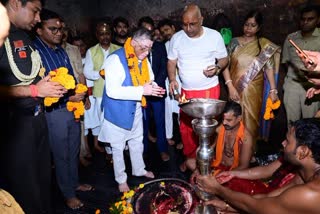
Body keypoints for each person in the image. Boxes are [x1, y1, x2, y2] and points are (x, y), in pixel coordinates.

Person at [0, 1, 66, 213]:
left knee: (42, 181)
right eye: (35, 11)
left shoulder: (24, 36)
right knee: (25, 187)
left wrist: (50, 85)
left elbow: (30, 76)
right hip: (14, 124)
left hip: (37, 119)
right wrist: (35, 91)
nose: (38, 18)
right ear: (16, 4)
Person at [196, 118, 320, 214]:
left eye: (287, 141)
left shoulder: (310, 193)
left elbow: (261, 209)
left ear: (303, 152)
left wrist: (219, 190)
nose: (282, 143)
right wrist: (228, 206)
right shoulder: (304, 173)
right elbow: (268, 198)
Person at [34, 9, 89, 210]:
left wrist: (78, 93)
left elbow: (72, 80)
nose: (58, 33)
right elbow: (42, 87)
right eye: (53, 29)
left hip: (72, 107)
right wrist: (69, 95)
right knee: (61, 153)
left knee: (74, 149)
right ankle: (67, 193)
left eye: (60, 29)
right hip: (54, 111)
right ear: (39, 30)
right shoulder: (36, 52)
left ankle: (74, 183)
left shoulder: (61, 50)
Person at [98, 28, 165, 192]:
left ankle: (139, 169)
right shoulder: (115, 59)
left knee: (136, 141)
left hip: (135, 108)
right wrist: (143, 91)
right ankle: (121, 179)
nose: (147, 51)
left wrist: (154, 87)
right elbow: (112, 91)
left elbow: (150, 78)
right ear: (133, 43)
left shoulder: (143, 57)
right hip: (116, 112)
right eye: (143, 47)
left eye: (149, 48)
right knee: (118, 148)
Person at [167, 3, 228, 171]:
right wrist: (172, 79)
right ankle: (190, 158)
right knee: (186, 128)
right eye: (184, 24)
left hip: (208, 89)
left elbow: (224, 59)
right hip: (186, 91)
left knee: (207, 127)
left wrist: (217, 68)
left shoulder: (214, 36)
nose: (188, 28)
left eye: (192, 24)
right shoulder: (177, 38)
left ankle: (206, 161)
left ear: (201, 20)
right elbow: (171, 61)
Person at [222, 10, 280, 143]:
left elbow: (269, 68)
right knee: (233, 118)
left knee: (251, 120)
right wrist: (230, 86)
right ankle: (233, 148)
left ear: (259, 27)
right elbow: (225, 65)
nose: (248, 28)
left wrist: (273, 90)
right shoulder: (234, 42)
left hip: (254, 91)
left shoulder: (262, 45)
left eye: (253, 25)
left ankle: (249, 151)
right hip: (234, 89)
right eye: (246, 24)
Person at [84, 20, 121, 153]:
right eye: (101, 34)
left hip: (118, 92)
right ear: (97, 35)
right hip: (100, 93)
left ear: (111, 34)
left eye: (107, 34)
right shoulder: (91, 51)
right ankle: (109, 151)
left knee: (117, 119)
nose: (105, 37)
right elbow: (87, 72)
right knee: (104, 122)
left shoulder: (119, 49)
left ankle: (119, 147)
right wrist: (101, 73)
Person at [282, 5, 320, 124]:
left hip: (313, 87)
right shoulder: (291, 38)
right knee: (292, 124)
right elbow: (286, 62)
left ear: (318, 20)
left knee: (311, 124)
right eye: (303, 19)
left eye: (310, 19)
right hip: (292, 85)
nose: (305, 22)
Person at [138, 16, 169, 161]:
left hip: (157, 91)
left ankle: (162, 149)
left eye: (150, 31)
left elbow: (164, 68)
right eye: (145, 31)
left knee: (159, 121)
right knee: (141, 123)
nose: (148, 34)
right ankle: (142, 150)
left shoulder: (159, 46)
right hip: (140, 92)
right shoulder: (134, 49)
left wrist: (155, 86)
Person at [158, 18, 182, 150]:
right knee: (168, 109)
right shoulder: (165, 46)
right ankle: (168, 136)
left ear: (173, 27)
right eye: (163, 32)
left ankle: (184, 139)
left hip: (183, 82)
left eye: (167, 30)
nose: (165, 33)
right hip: (169, 81)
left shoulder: (183, 41)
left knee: (182, 110)